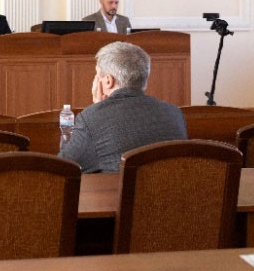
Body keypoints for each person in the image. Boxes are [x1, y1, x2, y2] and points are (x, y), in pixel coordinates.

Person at [58, 42, 187, 173]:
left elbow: (64, 167)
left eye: (97, 75)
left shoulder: (90, 119)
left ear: (108, 81)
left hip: (119, 187)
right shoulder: (175, 113)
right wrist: (99, 110)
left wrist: (96, 111)